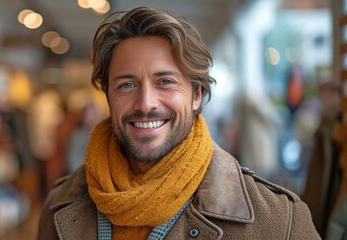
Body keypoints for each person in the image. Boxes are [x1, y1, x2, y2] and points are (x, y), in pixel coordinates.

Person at [38, 7, 320, 240]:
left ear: (197, 95)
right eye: (126, 84)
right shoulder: (60, 205)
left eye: (165, 82)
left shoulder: (280, 222)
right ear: (108, 96)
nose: (146, 103)